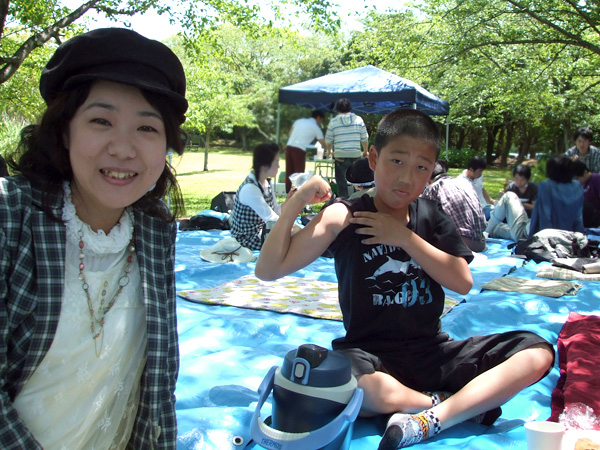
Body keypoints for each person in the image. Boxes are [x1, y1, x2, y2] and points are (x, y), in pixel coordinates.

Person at [256, 109, 554, 449]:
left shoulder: (431, 216)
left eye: (421, 168)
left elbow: (463, 282)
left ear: (432, 171)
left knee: (536, 352)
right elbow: (268, 270)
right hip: (367, 357)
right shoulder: (345, 215)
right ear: (373, 158)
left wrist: (404, 238)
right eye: (397, 161)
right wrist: (297, 200)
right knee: (351, 387)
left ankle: (425, 418)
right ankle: (442, 406)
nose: (407, 178)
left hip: (432, 353)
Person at [0, 28, 187, 448]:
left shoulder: (154, 229)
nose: (123, 149)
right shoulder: (9, 216)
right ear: (65, 130)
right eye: (101, 121)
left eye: (146, 127)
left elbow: (159, 385)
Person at [230, 143, 296, 250]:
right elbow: (271, 219)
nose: (279, 166)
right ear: (265, 165)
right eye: (276, 162)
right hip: (246, 239)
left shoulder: (267, 183)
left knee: (296, 238)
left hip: (263, 231)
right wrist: (294, 229)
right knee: (295, 240)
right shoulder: (250, 189)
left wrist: (290, 200)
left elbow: (275, 211)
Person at [422, 161, 487, 252]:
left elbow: (424, 222)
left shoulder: (433, 188)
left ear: (428, 178)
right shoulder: (465, 182)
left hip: (460, 245)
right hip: (481, 242)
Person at [528, 154, 585, 237]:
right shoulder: (578, 186)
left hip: (545, 235)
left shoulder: (546, 186)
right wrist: (580, 238)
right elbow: (578, 218)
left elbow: (545, 218)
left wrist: (545, 241)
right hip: (569, 236)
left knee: (510, 197)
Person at [325, 98, 369, 198]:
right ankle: (357, 199)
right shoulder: (358, 119)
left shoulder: (334, 122)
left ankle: (343, 200)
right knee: (357, 180)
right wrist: (365, 151)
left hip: (340, 156)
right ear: (350, 108)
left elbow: (328, 140)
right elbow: (364, 138)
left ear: (337, 109)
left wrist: (329, 151)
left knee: (341, 181)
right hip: (355, 156)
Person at [284, 110, 326, 192]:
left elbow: (290, 133)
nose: (320, 122)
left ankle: (288, 192)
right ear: (319, 118)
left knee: (289, 171)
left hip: (289, 146)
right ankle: (296, 192)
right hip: (299, 149)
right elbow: (323, 142)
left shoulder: (299, 121)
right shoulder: (315, 127)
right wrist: (329, 151)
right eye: (321, 120)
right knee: (298, 172)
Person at [572, 160, 600, 228]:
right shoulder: (582, 184)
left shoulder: (596, 179)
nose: (577, 181)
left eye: (577, 178)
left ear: (585, 172)